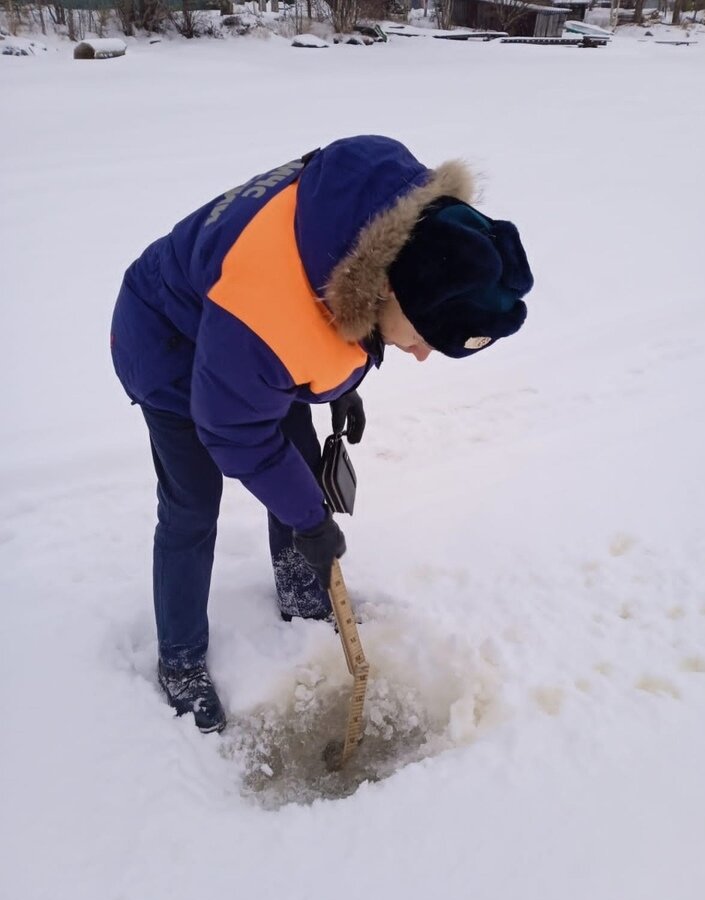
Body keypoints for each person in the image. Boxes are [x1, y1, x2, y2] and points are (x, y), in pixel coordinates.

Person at [111, 135, 533, 734]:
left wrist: (342, 387)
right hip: (168, 339)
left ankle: (302, 592)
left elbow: (334, 309)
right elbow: (238, 432)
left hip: (243, 336)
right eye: (421, 339)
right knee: (192, 506)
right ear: (392, 291)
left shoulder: (394, 220)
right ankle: (180, 659)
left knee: (299, 464)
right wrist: (312, 521)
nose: (418, 357)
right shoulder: (271, 316)